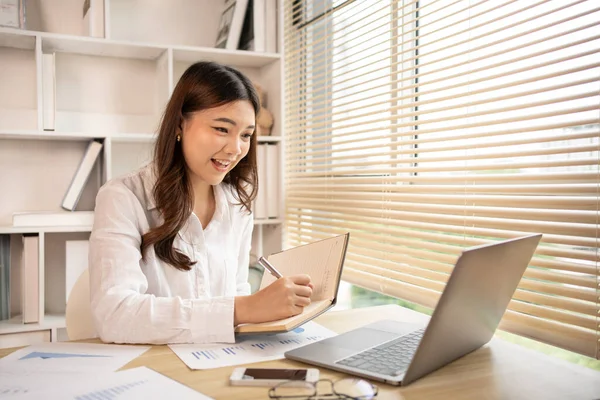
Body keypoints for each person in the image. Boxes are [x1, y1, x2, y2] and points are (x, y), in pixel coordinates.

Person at [89, 61, 313, 344]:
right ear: (181, 123)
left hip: (217, 363)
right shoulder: (122, 198)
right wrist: (244, 308)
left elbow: (237, 291)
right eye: (222, 129)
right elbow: (114, 315)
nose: (235, 149)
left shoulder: (237, 205)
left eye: (246, 135)